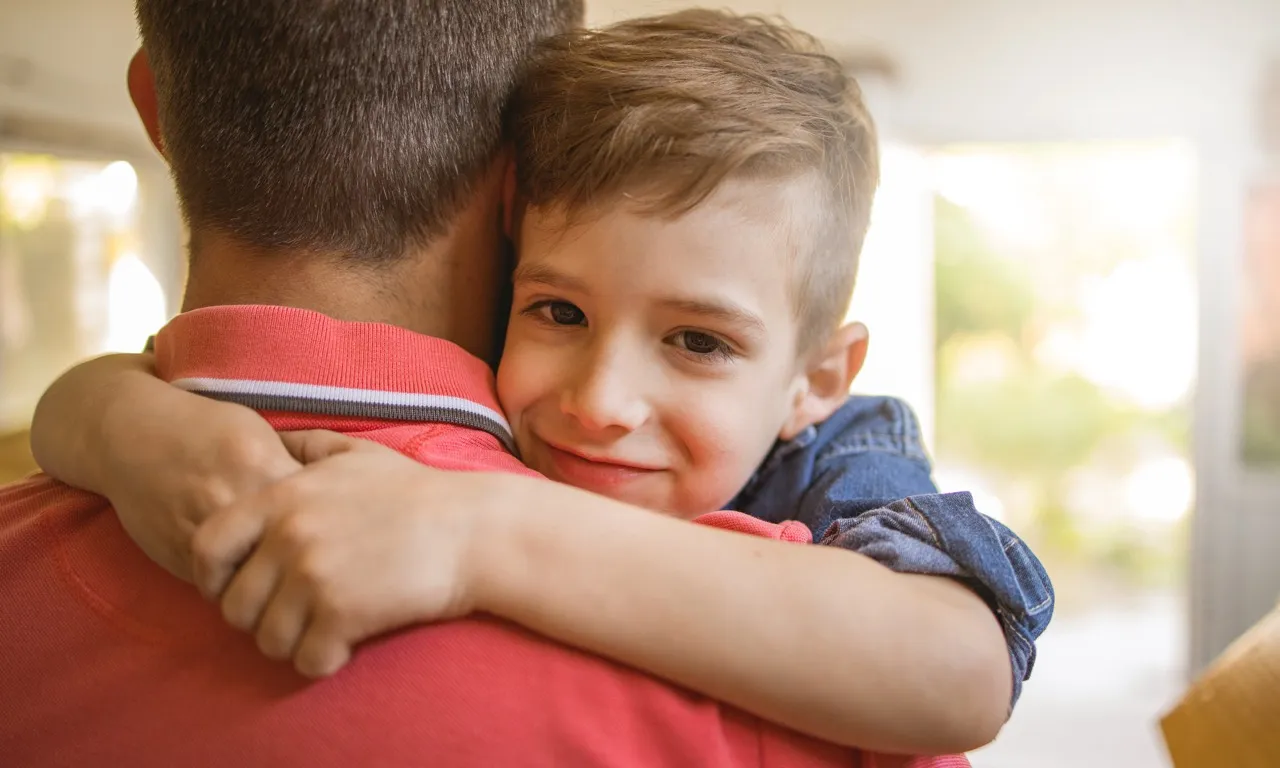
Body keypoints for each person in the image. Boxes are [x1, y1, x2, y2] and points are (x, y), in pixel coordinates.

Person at [24, 7, 1049, 761]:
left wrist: (475, 532)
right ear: (510, 214)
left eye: (697, 341)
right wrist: (112, 419)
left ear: (814, 380)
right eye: (556, 311)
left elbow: (958, 671)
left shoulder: (837, 468)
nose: (600, 399)